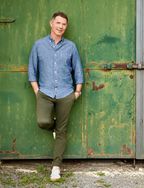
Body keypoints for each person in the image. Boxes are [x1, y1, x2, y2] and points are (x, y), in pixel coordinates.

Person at [28, 12, 83, 181]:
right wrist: (37, 90)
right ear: (51, 23)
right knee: (43, 122)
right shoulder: (38, 45)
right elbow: (32, 70)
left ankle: (56, 167)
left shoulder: (71, 46)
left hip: (66, 93)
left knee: (62, 131)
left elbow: (78, 69)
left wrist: (77, 92)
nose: (61, 26)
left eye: (64, 24)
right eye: (58, 23)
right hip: (45, 93)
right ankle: (53, 127)